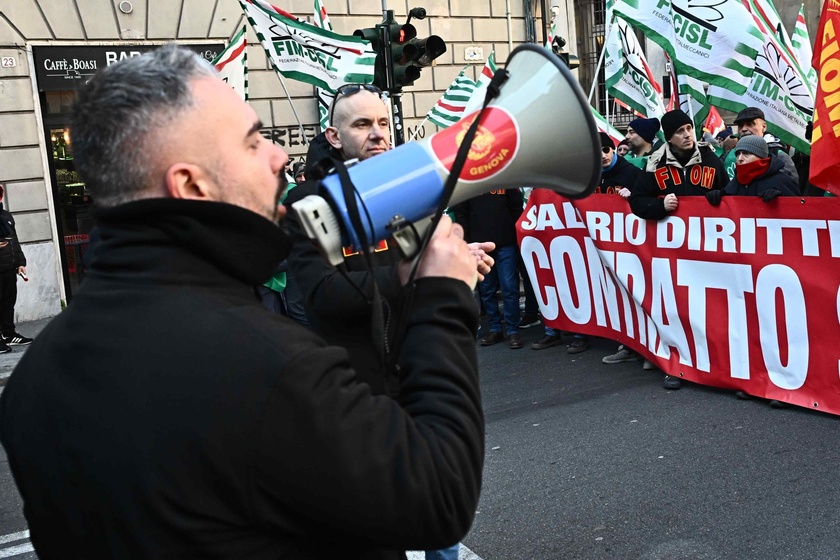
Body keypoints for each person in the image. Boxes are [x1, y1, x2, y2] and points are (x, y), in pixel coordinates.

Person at [0, 45, 486, 559]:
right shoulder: (268, 365)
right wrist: (441, 298)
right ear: (190, 183)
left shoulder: (36, 377)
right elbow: (438, 496)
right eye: (253, 143)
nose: (278, 155)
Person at [630, 109, 727, 390]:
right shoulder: (655, 163)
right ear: (669, 138)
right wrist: (659, 207)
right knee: (676, 311)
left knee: (711, 308)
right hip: (673, 254)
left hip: (708, 250)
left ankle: (719, 364)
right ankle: (678, 367)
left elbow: (730, 193)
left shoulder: (710, 156)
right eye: (680, 132)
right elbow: (637, 201)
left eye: (689, 128)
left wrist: (719, 197)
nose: (687, 135)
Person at [453, 189, 525, 349]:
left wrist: (517, 237)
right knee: (487, 290)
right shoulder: (469, 182)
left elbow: (516, 207)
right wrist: (466, 243)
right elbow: (461, 212)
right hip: (479, 245)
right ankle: (495, 329)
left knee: (509, 287)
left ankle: (513, 330)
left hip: (506, 242)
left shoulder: (504, 177)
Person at [0, 185, 31, 350]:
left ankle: (9, 334)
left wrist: (20, 262)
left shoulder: (6, 216)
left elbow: (14, 239)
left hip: (9, 267)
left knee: (8, 303)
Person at [732, 107, 798, 182]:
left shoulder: (779, 156)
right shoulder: (729, 155)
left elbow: (790, 188)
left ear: (764, 127)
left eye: (750, 124)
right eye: (740, 125)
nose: (744, 129)